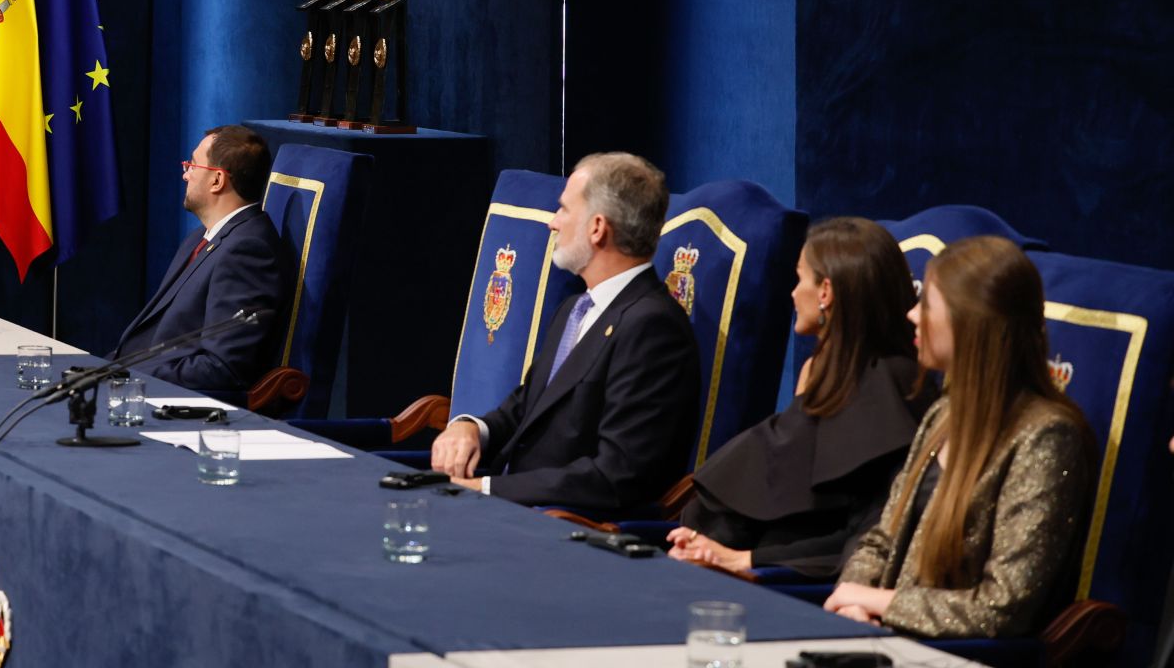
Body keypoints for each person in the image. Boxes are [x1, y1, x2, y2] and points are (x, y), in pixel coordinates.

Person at [826, 235, 1093, 638]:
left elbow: (1002, 607)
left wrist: (881, 603)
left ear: (972, 323)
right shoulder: (944, 412)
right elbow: (881, 539)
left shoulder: (1047, 437)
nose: (912, 315)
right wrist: (855, 601)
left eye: (928, 305)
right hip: (881, 637)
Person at [429, 152, 701, 520]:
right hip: (511, 511)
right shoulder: (575, 308)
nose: (553, 223)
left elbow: (616, 474)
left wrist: (488, 490)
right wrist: (470, 428)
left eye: (564, 210)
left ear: (597, 228)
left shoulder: (653, 328)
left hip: (565, 532)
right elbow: (525, 409)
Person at [667, 217, 928, 578]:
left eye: (800, 277)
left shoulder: (888, 386)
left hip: (796, 584)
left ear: (825, 292)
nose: (793, 293)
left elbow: (867, 530)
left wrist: (744, 560)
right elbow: (783, 482)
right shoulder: (817, 369)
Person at [113, 125, 293, 401]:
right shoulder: (202, 236)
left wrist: (126, 376)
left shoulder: (248, 251)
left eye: (193, 165)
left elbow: (222, 368)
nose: (185, 174)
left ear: (217, 180)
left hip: (169, 406)